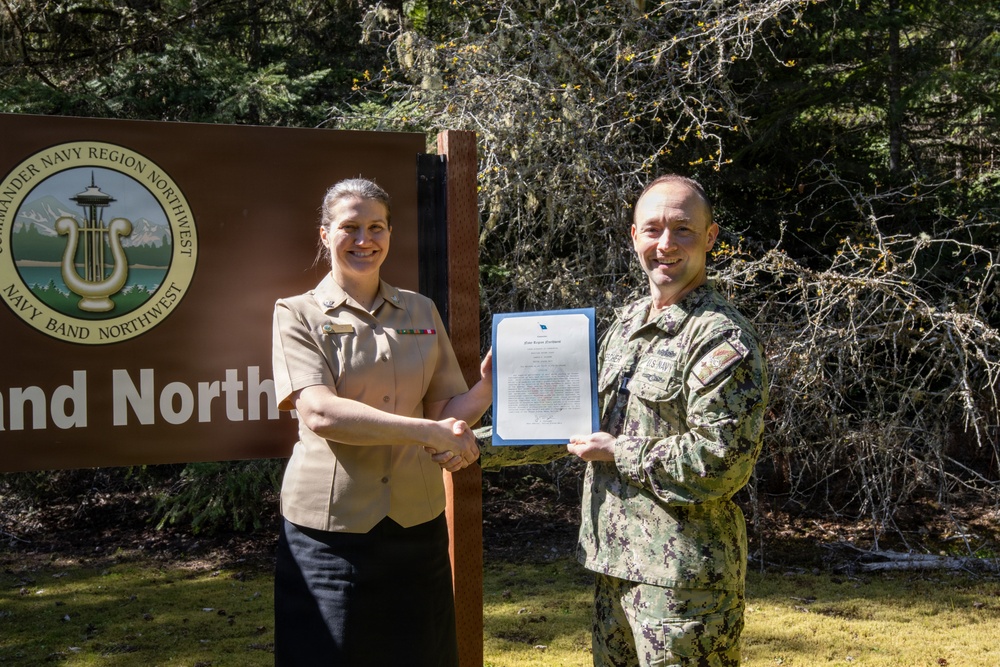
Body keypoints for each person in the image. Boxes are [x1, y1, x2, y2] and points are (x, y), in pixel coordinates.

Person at [270, 177, 492, 666]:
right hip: (331, 536)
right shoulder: (297, 314)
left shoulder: (420, 310)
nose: (364, 240)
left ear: (390, 234)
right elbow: (320, 412)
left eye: (376, 227)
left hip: (418, 527)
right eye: (350, 227)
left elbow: (446, 413)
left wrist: (487, 390)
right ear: (325, 234)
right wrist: (425, 433)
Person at [566, 174, 768, 666]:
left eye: (682, 229)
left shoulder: (719, 338)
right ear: (634, 236)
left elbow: (722, 461)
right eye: (653, 229)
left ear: (710, 237)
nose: (666, 244)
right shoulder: (627, 324)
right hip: (614, 567)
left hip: (684, 586)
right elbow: (579, 425)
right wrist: (466, 439)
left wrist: (619, 451)